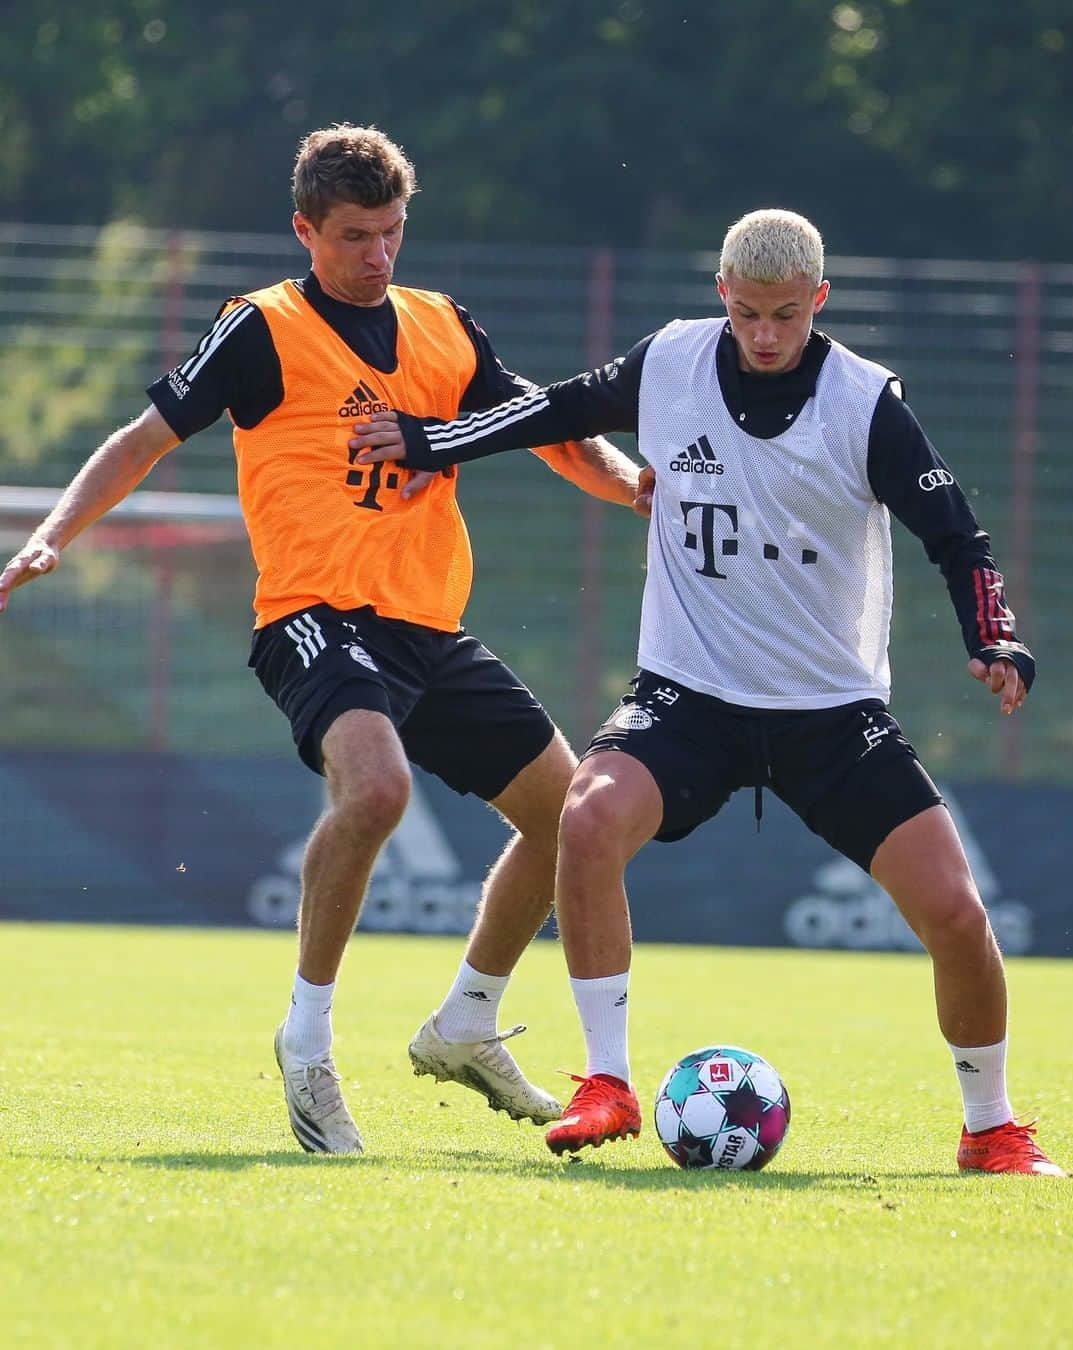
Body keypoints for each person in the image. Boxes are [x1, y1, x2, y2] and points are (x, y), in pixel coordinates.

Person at [349, 208, 1067, 1176]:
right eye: (749, 315)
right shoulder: (671, 363)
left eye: (786, 316)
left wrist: (996, 635)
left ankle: (991, 1127)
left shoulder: (866, 403)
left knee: (957, 912)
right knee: (589, 816)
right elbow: (554, 410)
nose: (766, 336)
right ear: (721, 295)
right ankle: (606, 1083)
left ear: (819, 300)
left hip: (830, 714)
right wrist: (434, 442)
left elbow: (956, 534)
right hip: (689, 697)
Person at [0, 123, 645, 1156]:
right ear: (306, 229)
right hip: (313, 616)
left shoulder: (443, 326)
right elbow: (143, 439)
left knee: (569, 820)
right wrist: (51, 536)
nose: (377, 254)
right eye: (353, 236)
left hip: (427, 622)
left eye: (391, 232)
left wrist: (634, 487)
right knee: (378, 790)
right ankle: (306, 1043)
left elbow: (548, 425)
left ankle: (466, 1022)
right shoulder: (261, 328)